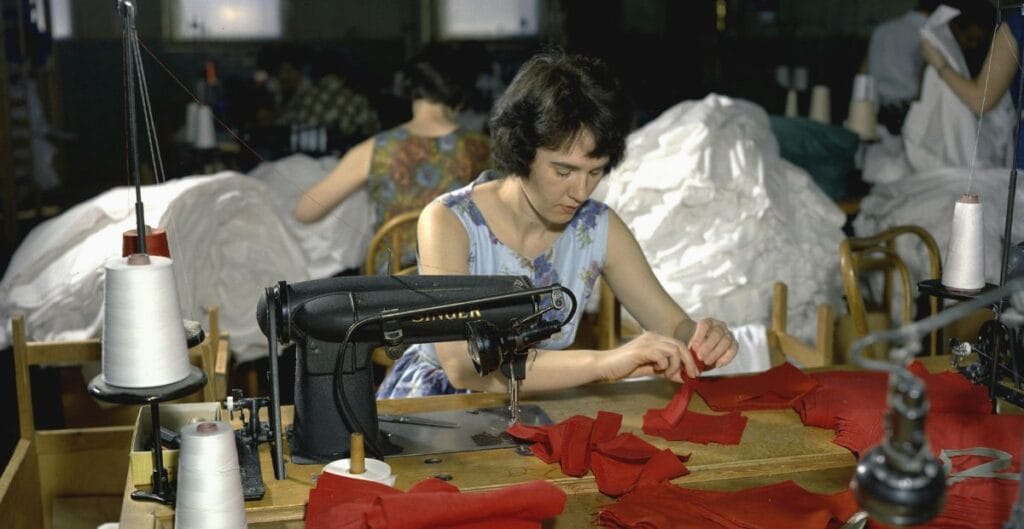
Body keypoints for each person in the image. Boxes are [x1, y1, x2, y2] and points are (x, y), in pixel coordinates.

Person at [377, 52, 739, 399]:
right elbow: (463, 367)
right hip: (437, 407)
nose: (580, 191)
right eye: (563, 171)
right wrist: (605, 363)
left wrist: (703, 336)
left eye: (595, 172)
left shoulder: (598, 227)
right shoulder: (450, 221)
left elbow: (672, 324)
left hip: (539, 401)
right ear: (522, 150)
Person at [294, 44, 490, 271]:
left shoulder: (376, 149)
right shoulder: (485, 148)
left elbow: (305, 212)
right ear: (462, 96)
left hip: (394, 287)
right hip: (468, 281)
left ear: (409, 89)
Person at [921, 1, 1020, 164]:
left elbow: (980, 100)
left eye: (978, 40)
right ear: (954, 30)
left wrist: (941, 65)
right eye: (970, 39)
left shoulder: (1012, 29)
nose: (973, 45)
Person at [863, 1, 940, 134]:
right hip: (908, 113)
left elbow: (864, 72)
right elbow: (926, 79)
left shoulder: (882, 30)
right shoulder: (929, 35)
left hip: (873, 110)